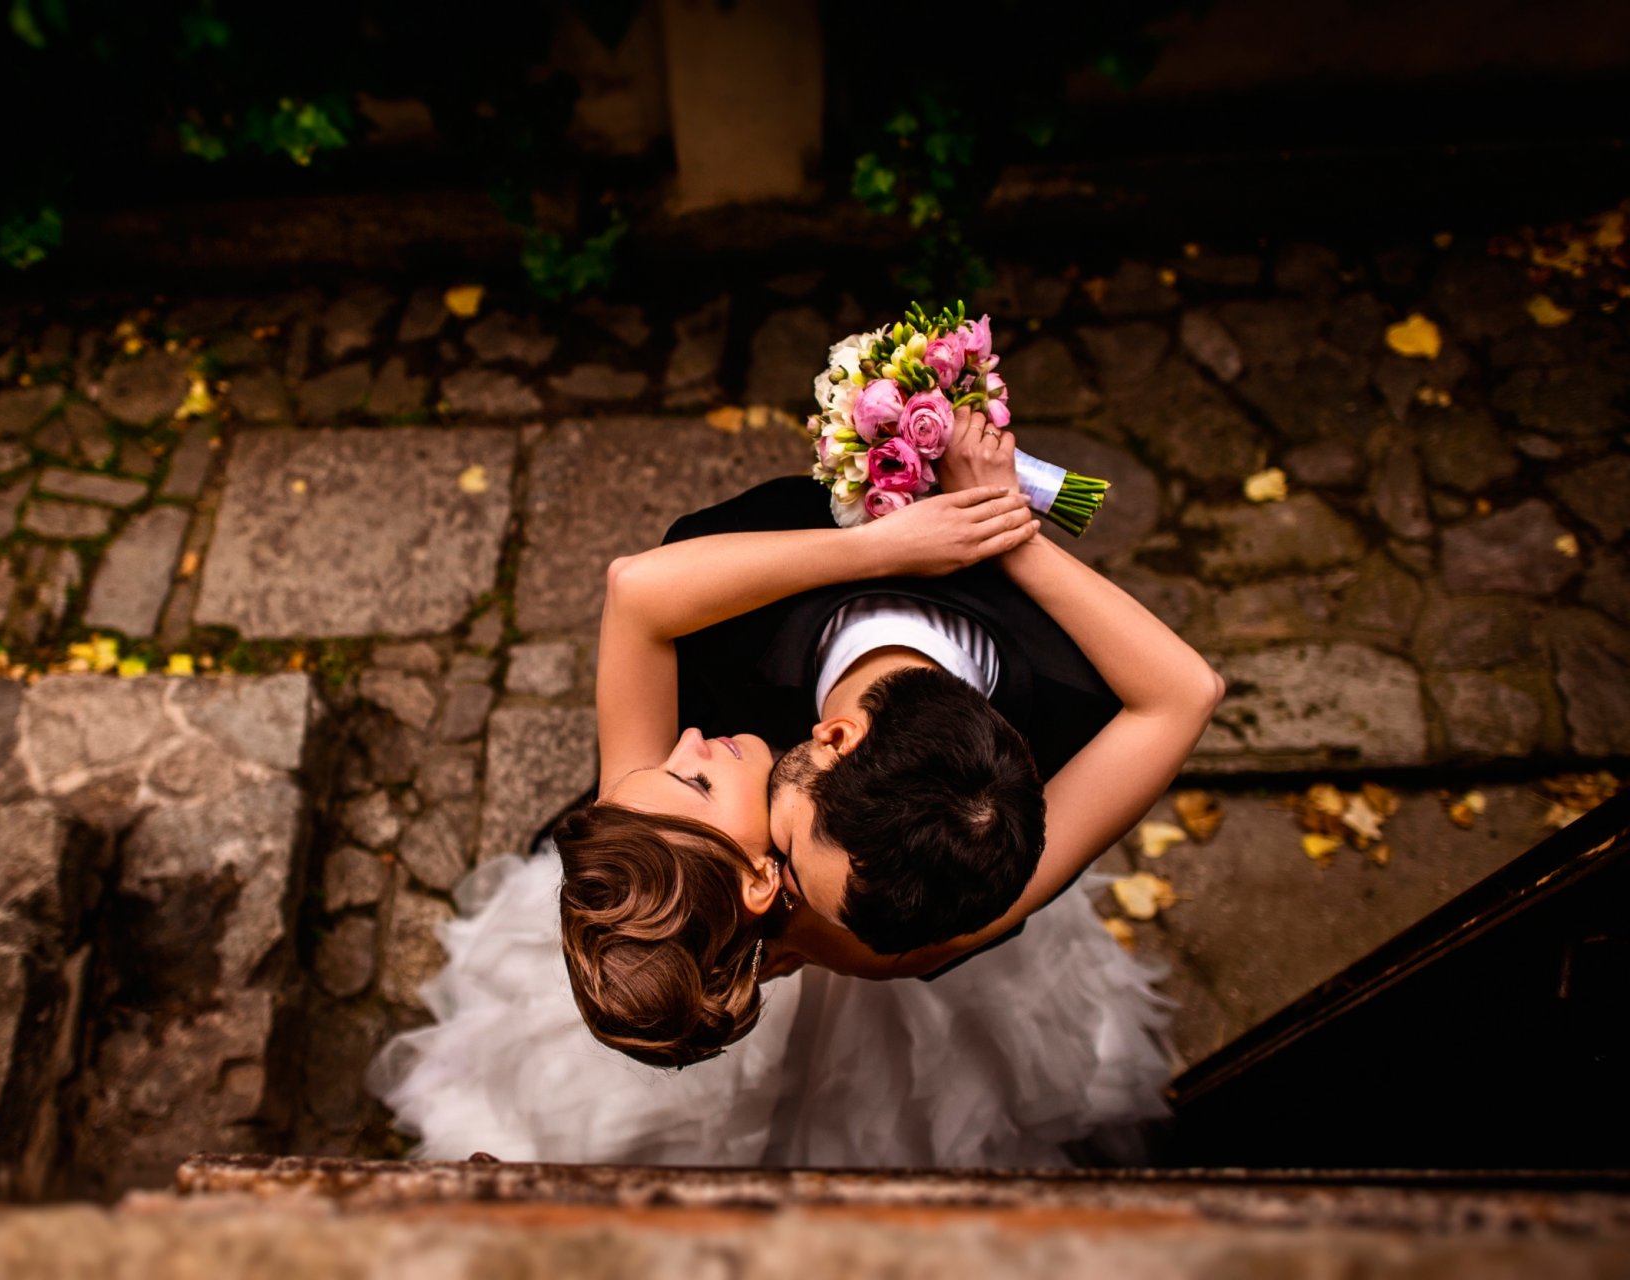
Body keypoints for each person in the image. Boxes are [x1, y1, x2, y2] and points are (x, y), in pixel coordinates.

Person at [369, 419, 1224, 1166]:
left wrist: (889, 548)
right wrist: (1000, 532)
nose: (686, 744)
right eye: (693, 778)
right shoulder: (940, 896)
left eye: (676, 771)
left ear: (833, 736)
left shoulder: (667, 833)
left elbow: (638, 592)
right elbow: (1183, 695)